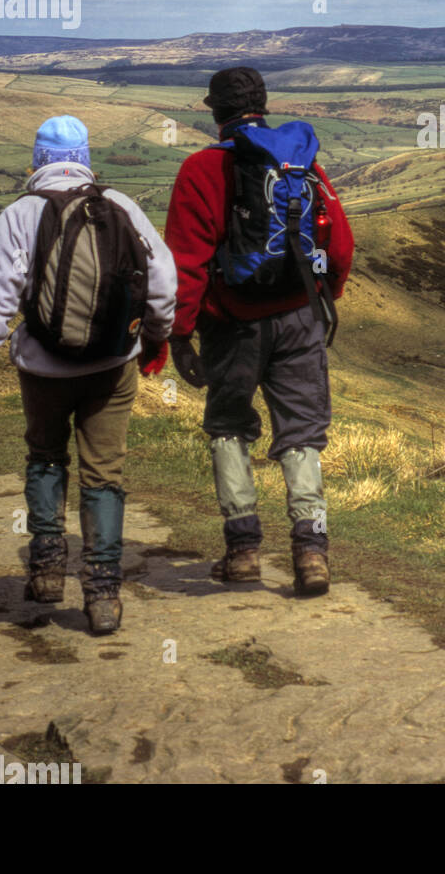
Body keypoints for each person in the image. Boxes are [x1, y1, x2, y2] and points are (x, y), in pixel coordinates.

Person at [0, 116, 176, 635]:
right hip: (113, 367)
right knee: (104, 475)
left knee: (46, 458)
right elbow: (161, 282)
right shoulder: (123, 207)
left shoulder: (19, 215)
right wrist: (156, 338)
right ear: (87, 156)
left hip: (43, 367)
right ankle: (102, 593)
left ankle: (48, 570)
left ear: (37, 157)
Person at [164, 67, 352, 595]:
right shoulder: (299, 161)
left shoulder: (202, 170)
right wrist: (319, 298)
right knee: (301, 430)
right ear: (263, 105)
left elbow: (188, 262)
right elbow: (338, 245)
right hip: (299, 316)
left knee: (228, 425)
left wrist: (180, 333)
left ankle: (243, 550)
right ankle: (311, 553)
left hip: (232, 324)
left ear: (214, 112)